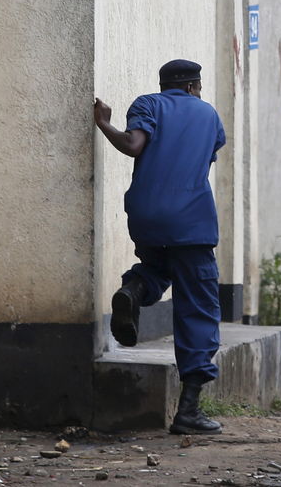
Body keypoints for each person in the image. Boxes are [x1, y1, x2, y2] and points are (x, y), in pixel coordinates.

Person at [93, 59, 226, 435]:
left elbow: (133, 145)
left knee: (156, 268)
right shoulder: (208, 115)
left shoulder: (146, 104)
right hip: (191, 223)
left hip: (146, 216)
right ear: (191, 87)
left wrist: (104, 122)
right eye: (198, 88)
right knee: (198, 308)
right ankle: (189, 411)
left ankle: (132, 291)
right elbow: (206, 156)